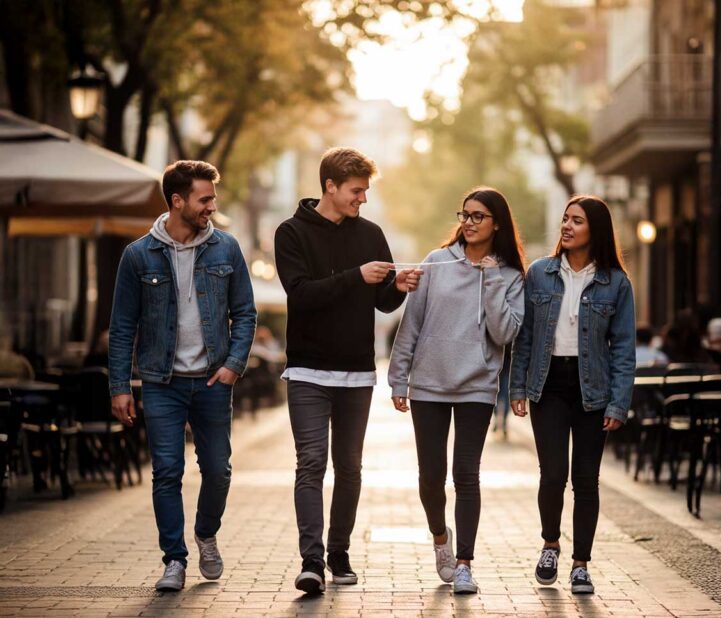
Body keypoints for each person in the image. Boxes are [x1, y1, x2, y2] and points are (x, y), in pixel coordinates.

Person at [274, 147, 422, 595]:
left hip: (356, 373)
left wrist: (397, 287)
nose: (362, 199)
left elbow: (382, 303)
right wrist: (356, 276)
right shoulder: (291, 233)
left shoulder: (371, 234)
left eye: (365, 191)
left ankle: (339, 553)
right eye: (356, 191)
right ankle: (312, 561)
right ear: (330, 187)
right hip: (307, 371)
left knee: (350, 468)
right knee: (311, 464)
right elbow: (300, 295)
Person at [109, 160, 256, 592]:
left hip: (212, 379)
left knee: (218, 470)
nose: (212, 205)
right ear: (178, 201)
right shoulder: (138, 255)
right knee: (166, 471)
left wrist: (233, 365)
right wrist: (119, 386)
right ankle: (174, 559)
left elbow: (244, 313)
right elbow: (122, 326)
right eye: (204, 198)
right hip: (162, 382)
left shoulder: (226, 249)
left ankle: (206, 534)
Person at [389, 187, 525, 594]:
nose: (468, 222)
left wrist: (492, 279)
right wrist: (399, 377)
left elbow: (505, 333)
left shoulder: (510, 275)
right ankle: (440, 539)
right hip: (429, 384)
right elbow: (411, 323)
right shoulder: (436, 263)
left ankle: (464, 563)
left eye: (478, 216)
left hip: (476, 387)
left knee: (466, 475)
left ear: (496, 223)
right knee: (431, 477)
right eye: (464, 214)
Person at [510, 195, 635, 595]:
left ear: (593, 230)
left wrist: (618, 402)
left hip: (592, 389)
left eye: (576, 221)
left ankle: (581, 564)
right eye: (565, 219)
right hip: (549, 384)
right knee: (552, 474)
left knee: (586, 479)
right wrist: (517, 387)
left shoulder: (616, 282)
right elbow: (525, 338)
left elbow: (624, 348)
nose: (566, 226)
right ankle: (550, 544)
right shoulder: (540, 273)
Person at [494, 347, 513, 438]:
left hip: (500, 371)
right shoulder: (510, 337)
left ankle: (499, 421)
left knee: (498, 397)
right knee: (504, 397)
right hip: (506, 371)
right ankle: (503, 422)